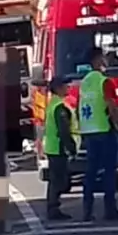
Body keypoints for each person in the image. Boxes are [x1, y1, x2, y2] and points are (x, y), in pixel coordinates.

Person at [77, 47, 118, 222]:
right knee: (109, 172)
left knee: (91, 173)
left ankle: (87, 210)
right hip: (105, 131)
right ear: (98, 60)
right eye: (103, 57)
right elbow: (112, 107)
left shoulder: (84, 82)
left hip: (89, 132)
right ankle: (110, 209)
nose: (106, 60)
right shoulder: (104, 82)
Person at [42, 74, 78, 222]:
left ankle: (53, 207)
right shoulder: (59, 107)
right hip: (58, 148)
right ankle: (53, 209)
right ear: (57, 88)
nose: (68, 87)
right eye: (65, 85)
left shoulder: (54, 104)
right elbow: (63, 130)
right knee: (59, 181)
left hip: (53, 147)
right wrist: (71, 147)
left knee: (56, 180)